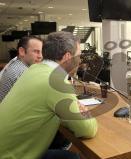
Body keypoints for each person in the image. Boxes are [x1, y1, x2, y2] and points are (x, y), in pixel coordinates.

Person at [0, 31, 97, 159]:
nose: (80, 61)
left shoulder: (33, 69)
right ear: (68, 57)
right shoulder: (56, 82)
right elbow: (86, 130)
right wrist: (86, 113)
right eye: (79, 56)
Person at [0, 36, 43, 102]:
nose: (40, 56)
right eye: (36, 51)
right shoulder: (22, 73)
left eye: (41, 52)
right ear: (22, 51)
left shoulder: (16, 63)